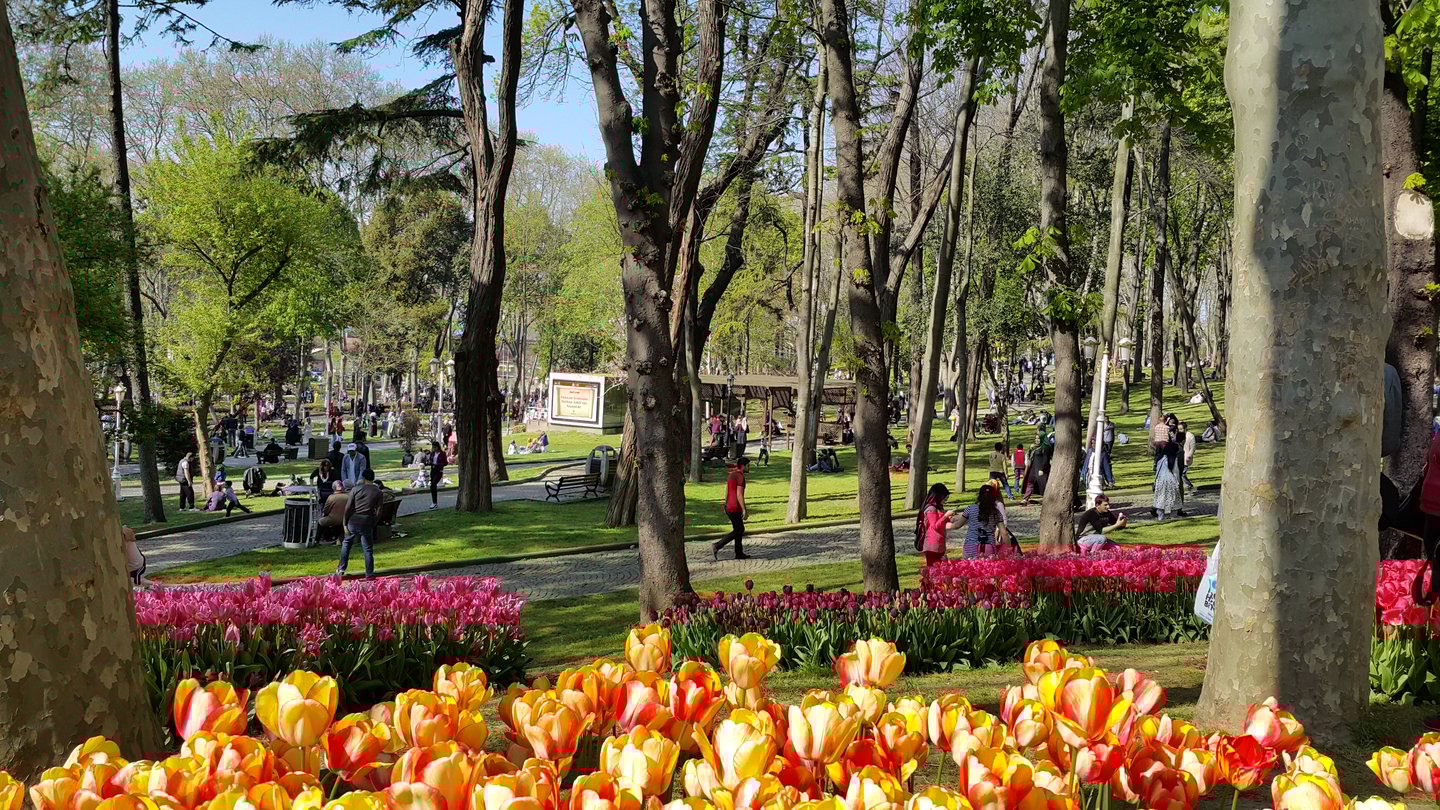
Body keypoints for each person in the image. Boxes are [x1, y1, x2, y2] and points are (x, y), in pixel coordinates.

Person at [338, 469, 384, 579]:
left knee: (346, 544)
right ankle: (369, 574)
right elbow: (379, 511)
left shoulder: (356, 489)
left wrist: (345, 524)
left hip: (353, 520)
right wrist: (373, 523)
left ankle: (341, 569)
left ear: (363, 478)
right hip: (367, 520)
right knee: (368, 549)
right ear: (373, 478)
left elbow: (348, 508)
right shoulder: (378, 492)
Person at [712, 457, 750, 560]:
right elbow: (739, 494)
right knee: (739, 529)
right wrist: (744, 509)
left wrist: (725, 504)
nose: (748, 468)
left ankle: (739, 553)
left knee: (738, 529)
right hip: (735, 507)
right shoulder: (740, 477)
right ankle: (717, 545)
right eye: (748, 465)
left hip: (729, 506)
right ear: (743, 466)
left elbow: (727, 491)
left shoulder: (732, 474)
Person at [953, 484, 1002, 557]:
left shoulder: (970, 509)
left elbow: (957, 525)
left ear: (979, 495)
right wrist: (1008, 549)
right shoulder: (996, 512)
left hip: (971, 546)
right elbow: (1004, 533)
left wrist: (945, 523)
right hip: (989, 547)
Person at [915, 483, 957, 566]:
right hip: (932, 546)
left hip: (940, 544)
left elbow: (940, 521)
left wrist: (949, 518)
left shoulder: (939, 507)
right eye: (945, 498)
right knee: (934, 570)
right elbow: (935, 526)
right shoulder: (931, 508)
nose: (946, 500)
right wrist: (946, 515)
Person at [1153, 443, 1184, 520]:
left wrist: (1155, 482)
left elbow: (1157, 471)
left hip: (1160, 481)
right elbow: (1176, 472)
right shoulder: (1173, 459)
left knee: (1161, 498)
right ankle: (1173, 515)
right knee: (1173, 498)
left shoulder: (1160, 459)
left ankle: (1161, 515)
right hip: (1171, 481)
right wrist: (1178, 482)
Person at [429, 441, 447, 509]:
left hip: (438, 471)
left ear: (438, 447)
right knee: (432, 486)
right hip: (433, 470)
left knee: (433, 484)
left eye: (435, 447)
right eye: (433, 447)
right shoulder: (432, 453)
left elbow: (445, 463)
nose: (433, 448)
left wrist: (439, 465)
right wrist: (430, 463)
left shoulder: (442, 454)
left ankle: (434, 503)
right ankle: (434, 502)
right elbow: (431, 460)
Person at [1179, 421, 1197, 491]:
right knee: (1180, 473)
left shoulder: (1190, 436)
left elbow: (1193, 447)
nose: (1180, 431)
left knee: (1182, 473)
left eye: (1181, 429)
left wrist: (1189, 455)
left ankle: (1189, 485)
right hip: (1180, 457)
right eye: (1179, 429)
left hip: (1186, 457)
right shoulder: (1179, 435)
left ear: (1185, 428)